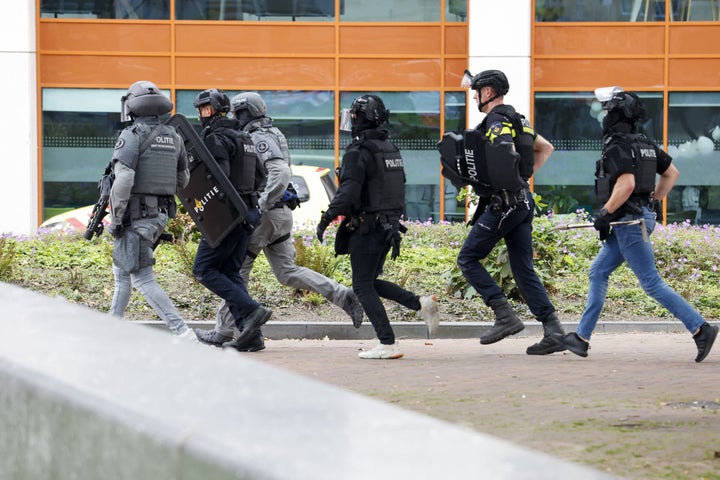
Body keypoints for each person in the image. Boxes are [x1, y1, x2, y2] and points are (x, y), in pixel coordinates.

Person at [554, 87, 718, 362]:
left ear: (616, 113)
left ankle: (701, 329)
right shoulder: (643, 143)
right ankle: (581, 338)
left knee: (651, 283)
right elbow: (671, 173)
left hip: (629, 222)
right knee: (598, 271)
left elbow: (627, 183)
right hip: (633, 218)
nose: (604, 114)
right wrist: (652, 201)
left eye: (607, 109)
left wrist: (605, 212)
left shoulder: (617, 144)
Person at [195, 92, 364, 351]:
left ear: (243, 113)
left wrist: (258, 204)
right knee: (287, 272)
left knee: (235, 271)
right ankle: (342, 295)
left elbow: (280, 171)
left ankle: (224, 331)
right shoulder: (274, 132)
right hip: (282, 213)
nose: (232, 118)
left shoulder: (257, 137)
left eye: (235, 114)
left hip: (266, 215)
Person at [316, 94, 440, 360]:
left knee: (361, 286)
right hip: (388, 227)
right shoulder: (389, 149)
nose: (352, 122)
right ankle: (420, 303)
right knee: (369, 281)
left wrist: (327, 217)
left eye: (354, 117)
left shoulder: (358, 152)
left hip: (368, 227)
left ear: (363, 119)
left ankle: (387, 342)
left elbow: (348, 192)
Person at [456, 69, 566, 355]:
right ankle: (553, 330)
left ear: (488, 92)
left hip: (505, 204)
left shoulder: (495, 120)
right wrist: (522, 182)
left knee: (468, 258)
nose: (475, 96)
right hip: (522, 202)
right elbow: (545, 148)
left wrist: (504, 182)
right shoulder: (520, 119)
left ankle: (504, 315)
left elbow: (503, 151)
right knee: (522, 269)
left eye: (477, 91)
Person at [108, 80, 196, 343]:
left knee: (142, 278)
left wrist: (116, 217)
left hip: (135, 215)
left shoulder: (131, 135)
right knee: (122, 270)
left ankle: (183, 332)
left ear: (132, 108)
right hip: (157, 215)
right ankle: (112, 329)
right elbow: (184, 180)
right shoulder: (174, 137)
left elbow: (123, 180)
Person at [191, 88, 271, 350]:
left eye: (204, 109)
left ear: (212, 110)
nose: (202, 115)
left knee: (204, 269)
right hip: (248, 212)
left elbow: (218, 178)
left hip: (227, 215)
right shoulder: (244, 137)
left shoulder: (216, 138)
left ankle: (252, 310)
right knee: (229, 272)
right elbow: (261, 177)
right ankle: (253, 338)